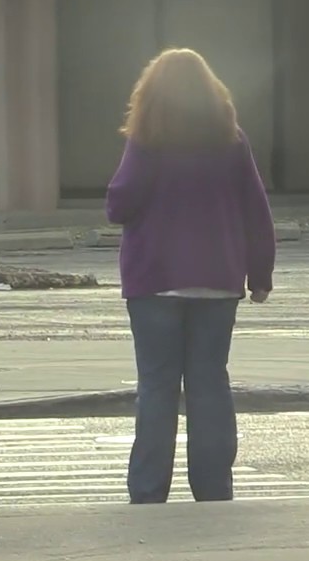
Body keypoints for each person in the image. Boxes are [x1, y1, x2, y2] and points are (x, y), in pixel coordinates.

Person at [105, 47, 276, 505]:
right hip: (217, 280)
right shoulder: (231, 139)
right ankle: (214, 487)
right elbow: (255, 209)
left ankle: (148, 490)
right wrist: (260, 273)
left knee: (158, 387)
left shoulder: (147, 140)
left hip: (155, 280)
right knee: (209, 385)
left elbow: (119, 204)